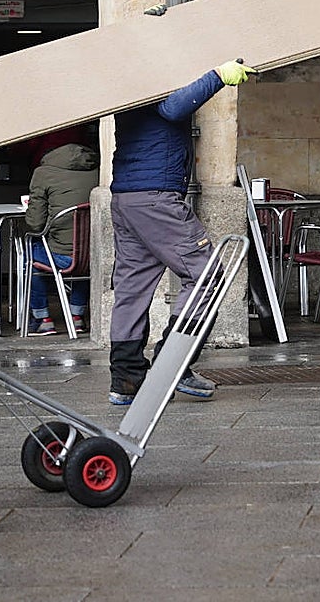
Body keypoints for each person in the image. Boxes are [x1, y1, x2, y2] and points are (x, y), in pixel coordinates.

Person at [108, 58, 257, 406]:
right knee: (208, 277)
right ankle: (172, 364)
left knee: (132, 286)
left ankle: (126, 379)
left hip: (127, 198)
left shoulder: (122, 81)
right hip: (156, 199)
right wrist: (219, 76)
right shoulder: (150, 75)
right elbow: (174, 108)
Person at [23, 136, 99, 336]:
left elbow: (35, 224)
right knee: (82, 249)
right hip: (92, 256)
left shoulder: (43, 173)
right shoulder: (98, 172)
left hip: (62, 257)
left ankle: (42, 318)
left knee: (29, 255)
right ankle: (77, 316)